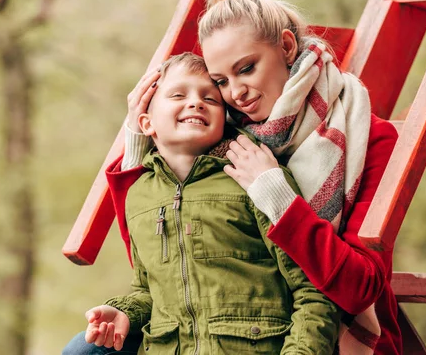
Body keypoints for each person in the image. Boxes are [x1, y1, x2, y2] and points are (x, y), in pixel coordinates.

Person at [103, 0, 401, 354]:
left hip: (323, 335)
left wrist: (276, 197)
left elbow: (359, 290)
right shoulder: (224, 133)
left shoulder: (365, 135)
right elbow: (165, 258)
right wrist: (138, 143)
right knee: (88, 347)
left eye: (247, 69)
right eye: (220, 80)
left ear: (287, 47)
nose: (236, 93)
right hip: (213, 335)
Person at [63, 52, 341, 354]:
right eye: (178, 95)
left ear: (224, 120)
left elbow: (311, 288)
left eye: (210, 100)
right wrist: (125, 313)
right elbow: (148, 290)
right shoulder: (141, 194)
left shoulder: (254, 176)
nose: (196, 102)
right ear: (146, 122)